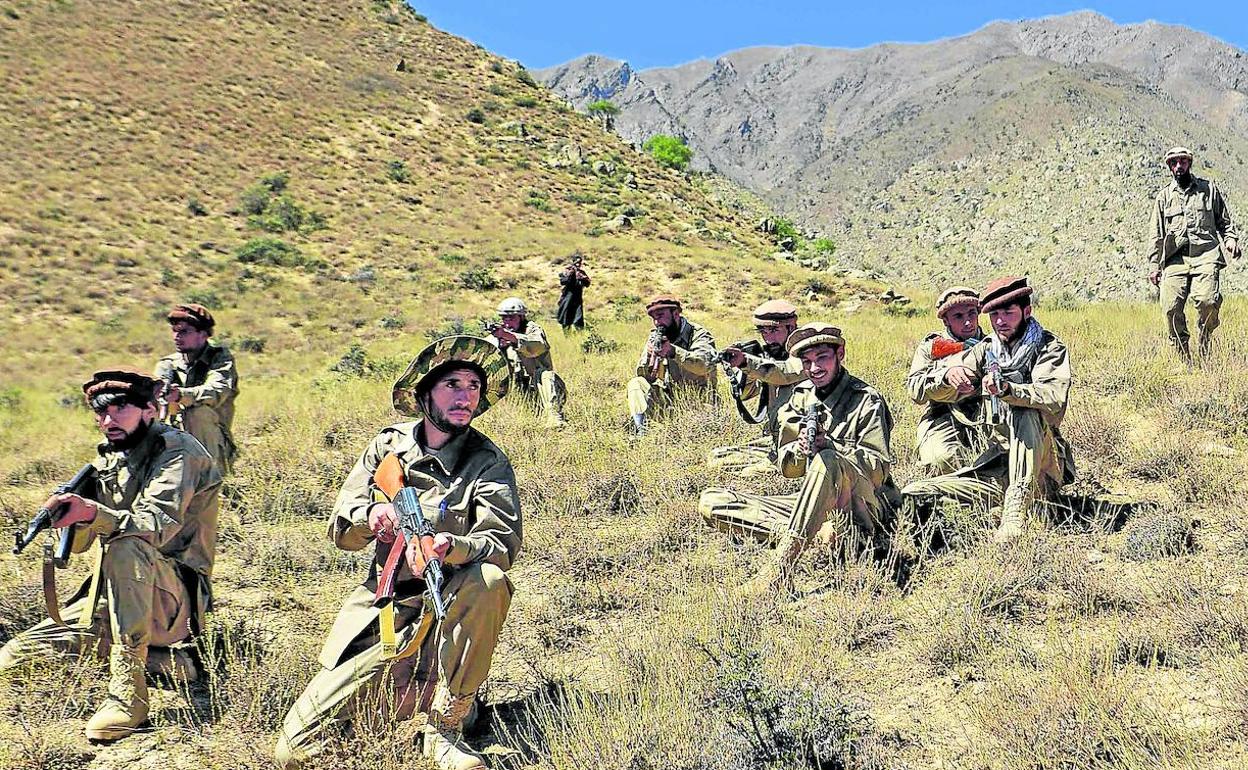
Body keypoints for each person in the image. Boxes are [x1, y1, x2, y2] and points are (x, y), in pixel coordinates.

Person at [276, 336, 521, 770]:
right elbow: (341, 528)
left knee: (490, 580)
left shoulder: (488, 461)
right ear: (425, 394)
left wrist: (450, 547)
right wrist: (372, 514)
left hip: (450, 604)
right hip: (390, 608)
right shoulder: (387, 448)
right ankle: (406, 698)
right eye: (452, 385)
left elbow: (500, 544)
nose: (465, 396)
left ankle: (448, 724)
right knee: (295, 750)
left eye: (473, 387)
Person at [0, 368, 221, 741]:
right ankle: (168, 662)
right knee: (15, 657)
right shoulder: (111, 458)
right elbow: (84, 544)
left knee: (126, 542)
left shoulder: (178, 450)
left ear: (150, 410)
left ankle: (129, 695)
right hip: (120, 596)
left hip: (174, 600)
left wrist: (93, 512)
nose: (108, 421)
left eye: (120, 409)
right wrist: (71, 517)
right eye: (100, 413)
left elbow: (155, 524)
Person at [698, 323, 901, 593]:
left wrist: (831, 448)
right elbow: (790, 469)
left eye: (822, 358)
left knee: (828, 460)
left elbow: (878, 470)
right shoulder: (800, 397)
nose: (814, 368)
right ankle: (819, 534)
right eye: (806, 362)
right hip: (815, 499)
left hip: (862, 504)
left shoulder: (866, 399)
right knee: (713, 501)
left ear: (840, 354)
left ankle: (780, 567)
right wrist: (801, 448)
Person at [901, 276, 1075, 543]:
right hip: (995, 458)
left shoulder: (1048, 347)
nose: (1001, 321)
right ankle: (985, 511)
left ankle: (1016, 511)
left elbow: (1052, 398)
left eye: (1008, 312)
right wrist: (951, 375)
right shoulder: (986, 349)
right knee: (917, 491)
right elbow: (937, 382)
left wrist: (1009, 390)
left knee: (1024, 409)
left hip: (1040, 461)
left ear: (1026, 312)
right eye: (994, 314)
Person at [1147, 146, 1240, 360]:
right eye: (1174, 163)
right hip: (1175, 260)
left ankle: (1205, 336)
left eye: (1183, 161)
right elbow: (1156, 235)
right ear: (1170, 167)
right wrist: (1154, 265)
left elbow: (1224, 222)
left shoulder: (1208, 190)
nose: (1179, 166)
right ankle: (1184, 358)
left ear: (1189, 163)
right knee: (1170, 309)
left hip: (1206, 255)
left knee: (1208, 301)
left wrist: (1231, 240)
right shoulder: (1163, 198)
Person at [708, 300, 807, 476]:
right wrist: (745, 370)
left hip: (800, 444)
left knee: (748, 474)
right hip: (774, 440)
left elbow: (784, 373)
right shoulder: (770, 355)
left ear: (792, 327)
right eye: (763, 331)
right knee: (715, 458)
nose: (768, 338)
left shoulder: (807, 353)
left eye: (774, 330)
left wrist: (748, 362)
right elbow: (746, 395)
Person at [907, 287, 985, 473]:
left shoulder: (993, 344)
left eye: (972, 314)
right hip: (944, 414)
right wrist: (945, 376)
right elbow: (915, 390)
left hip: (986, 414)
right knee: (943, 460)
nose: (968, 322)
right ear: (945, 320)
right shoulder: (931, 347)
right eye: (958, 316)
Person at [154, 303, 239, 472]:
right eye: (175, 331)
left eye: (184, 331)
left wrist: (181, 395)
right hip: (174, 437)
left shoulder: (220, 358)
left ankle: (209, 477)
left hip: (213, 442)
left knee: (196, 412)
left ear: (203, 334)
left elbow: (217, 391)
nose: (177, 337)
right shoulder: (168, 364)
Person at [625, 294, 717, 434]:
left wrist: (673, 351)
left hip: (701, 405)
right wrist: (650, 357)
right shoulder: (657, 336)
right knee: (636, 383)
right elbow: (645, 377)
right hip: (672, 403)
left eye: (660, 316)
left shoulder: (699, 334)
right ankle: (640, 432)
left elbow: (703, 365)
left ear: (676, 313)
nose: (657, 322)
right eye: (654, 318)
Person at [489, 297, 568, 428]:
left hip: (544, 390)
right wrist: (499, 344)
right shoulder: (500, 334)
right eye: (504, 318)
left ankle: (554, 417)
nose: (507, 322)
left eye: (511, 318)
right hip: (520, 393)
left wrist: (512, 338)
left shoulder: (533, 330)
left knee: (544, 375)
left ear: (521, 317)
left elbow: (537, 346)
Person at [556, 254, 591, 330]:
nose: (578, 264)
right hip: (567, 298)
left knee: (578, 319)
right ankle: (567, 337)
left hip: (577, 299)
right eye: (576, 262)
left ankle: (579, 337)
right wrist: (571, 275)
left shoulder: (581, 273)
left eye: (580, 262)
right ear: (573, 262)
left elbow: (588, 283)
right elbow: (563, 281)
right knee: (566, 318)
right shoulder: (568, 270)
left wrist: (582, 278)